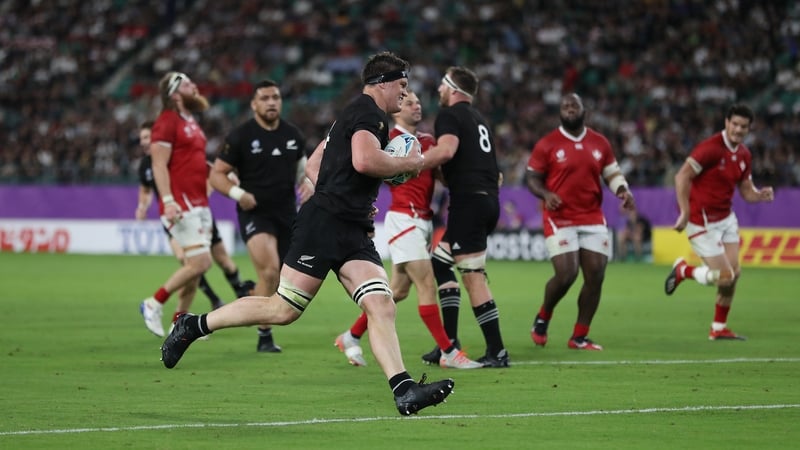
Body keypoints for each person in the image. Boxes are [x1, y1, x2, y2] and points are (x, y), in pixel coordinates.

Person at [160, 52, 454, 416]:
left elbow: (314, 165)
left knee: (381, 304)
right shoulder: (369, 114)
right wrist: (410, 162)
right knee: (282, 309)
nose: (406, 93)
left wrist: (352, 199)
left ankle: (404, 390)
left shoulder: (353, 114)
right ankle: (193, 325)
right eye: (402, 85)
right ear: (382, 84)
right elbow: (365, 161)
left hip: (350, 227)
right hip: (325, 226)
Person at [333, 90, 482, 369]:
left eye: (418, 102)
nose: (416, 106)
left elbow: (442, 177)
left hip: (423, 221)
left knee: (398, 291)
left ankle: (350, 336)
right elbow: (365, 173)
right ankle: (449, 352)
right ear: (397, 109)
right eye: (409, 102)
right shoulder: (388, 140)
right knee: (427, 284)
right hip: (403, 219)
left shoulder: (428, 141)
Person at [525, 93, 636, 351]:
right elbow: (532, 178)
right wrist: (546, 194)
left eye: (574, 105)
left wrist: (622, 190)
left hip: (591, 216)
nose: (570, 109)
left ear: (584, 110)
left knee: (596, 275)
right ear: (560, 112)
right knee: (567, 274)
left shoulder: (599, 142)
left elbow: (612, 173)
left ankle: (579, 337)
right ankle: (543, 316)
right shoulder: (547, 143)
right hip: (560, 216)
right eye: (565, 106)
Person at [209, 80, 312, 353]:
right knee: (269, 271)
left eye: (275, 97)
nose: (271, 102)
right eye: (265, 98)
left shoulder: (293, 135)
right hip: (255, 213)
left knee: (279, 281)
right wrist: (238, 194)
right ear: (254, 104)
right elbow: (216, 175)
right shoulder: (240, 136)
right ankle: (264, 336)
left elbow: (304, 171)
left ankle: (250, 296)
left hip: (287, 214)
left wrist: (308, 184)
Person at [417, 66, 510, 368]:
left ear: (452, 88)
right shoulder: (479, 119)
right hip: (484, 200)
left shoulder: (450, 115)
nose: (438, 91)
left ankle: (497, 351)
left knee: (473, 277)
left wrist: (413, 163)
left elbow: (446, 151)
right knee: (440, 263)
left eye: (442, 85)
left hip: (469, 204)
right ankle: (449, 344)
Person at [664, 103, 774, 340]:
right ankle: (684, 271)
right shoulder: (710, 148)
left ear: (749, 129)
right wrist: (684, 212)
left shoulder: (744, 155)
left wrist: (760, 195)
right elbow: (682, 176)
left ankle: (718, 327)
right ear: (726, 123)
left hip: (726, 219)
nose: (738, 129)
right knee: (726, 277)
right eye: (735, 124)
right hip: (701, 221)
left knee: (734, 273)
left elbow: (747, 191)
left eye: (743, 126)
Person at [136, 121, 255, 319]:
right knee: (189, 262)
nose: (144, 142)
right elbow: (145, 189)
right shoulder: (146, 166)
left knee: (224, 262)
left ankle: (241, 298)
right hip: (175, 219)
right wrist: (142, 206)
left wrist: (200, 199)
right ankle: (207, 302)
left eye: (147, 137)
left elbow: (209, 174)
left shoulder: (176, 158)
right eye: (142, 139)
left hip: (198, 216)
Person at [138, 72, 216, 338]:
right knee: (201, 262)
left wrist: (218, 172)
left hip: (199, 202)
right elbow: (158, 164)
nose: (193, 85)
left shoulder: (190, 120)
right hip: (181, 204)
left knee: (195, 271)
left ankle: (178, 324)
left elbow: (193, 160)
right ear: (174, 94)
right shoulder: (167, 121)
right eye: (186, 83)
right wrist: (168, 200)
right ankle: (153, 302)